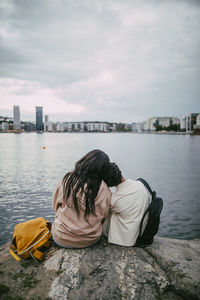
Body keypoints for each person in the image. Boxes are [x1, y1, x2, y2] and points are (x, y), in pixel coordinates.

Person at [51, 149, 112, 248]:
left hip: (62, 238)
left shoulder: (67, 180)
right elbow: (104, 215)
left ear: (84, 161)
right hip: (90, 240)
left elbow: (55, 206)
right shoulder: (104, 189)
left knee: (55, 221)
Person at [102, 162, 150, 247]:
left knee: (107, 212)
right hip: (141, 232)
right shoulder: (140, 184)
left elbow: (102, 212)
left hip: (126, 240)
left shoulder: (115, 200)